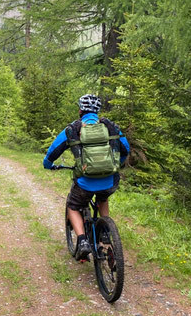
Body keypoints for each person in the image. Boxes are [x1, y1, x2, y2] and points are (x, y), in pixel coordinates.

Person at [43, 94, 130, 261]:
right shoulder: (110, 127)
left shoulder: (73, 129)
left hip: (85, 182)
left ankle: (82, 241)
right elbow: (125, 149)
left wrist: (48, 165)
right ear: (97, 111)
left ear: (80, 110)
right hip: (110, 180)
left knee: (73, 205)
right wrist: (115, 164)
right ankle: (105, 231)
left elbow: (53, 151)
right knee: (103, 197)